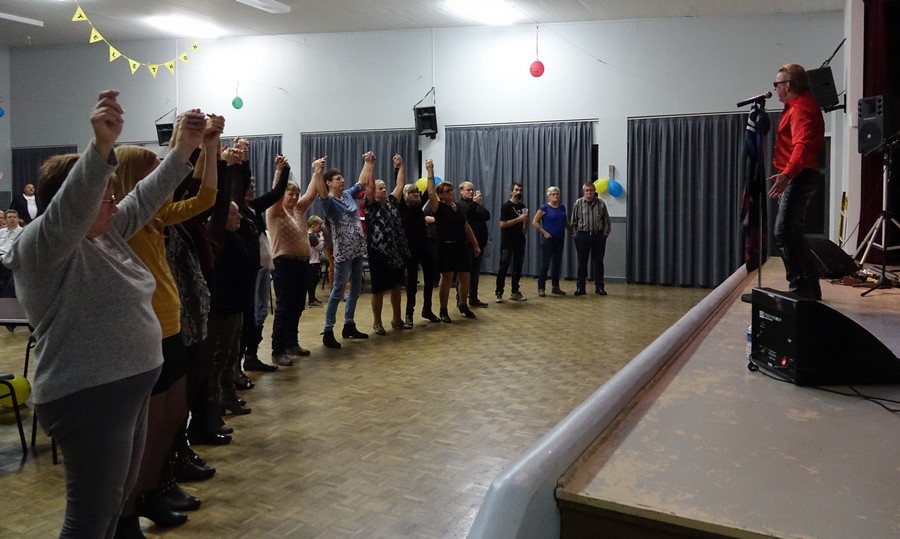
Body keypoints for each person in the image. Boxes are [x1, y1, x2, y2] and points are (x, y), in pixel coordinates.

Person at [3, 90, 205, 538]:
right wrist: (101, 147)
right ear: (73, 201)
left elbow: (145, 198)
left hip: (124, 388)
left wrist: (185, 149)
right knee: (89, 519)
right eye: (106, 196)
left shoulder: (104, 235)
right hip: (88, 396)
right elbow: (77, 205)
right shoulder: (42, 247)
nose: (115, 203)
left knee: (114, 503)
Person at [113, 113, 223, 533]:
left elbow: (205, 199)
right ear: (133, 180)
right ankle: (128, 509)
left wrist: (209, 147)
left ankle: (152, 491)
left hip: (172, 326)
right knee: (145, 429)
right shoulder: (125, 221)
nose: (160, 177)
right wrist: (185, 145)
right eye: (151, 172)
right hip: (146, 330)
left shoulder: (156, 216)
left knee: (173, 417)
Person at [768, 63, 826, 301]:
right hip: (800, 174)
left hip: (799, 175)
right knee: (791, 233)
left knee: (784, 233)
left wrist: (787, 174)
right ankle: (809, 288)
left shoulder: (800, 108)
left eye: (777, 84)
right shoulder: (799, 106)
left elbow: (800, 146)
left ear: (788, 85)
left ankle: (800, 288)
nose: (775, 88)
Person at [237, 150, 289, 373]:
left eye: (253, 186)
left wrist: (284, 170)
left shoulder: (254, 207)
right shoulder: (237, 209)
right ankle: (240, 361)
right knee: (249, 315)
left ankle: (252, 356)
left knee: (259, 313)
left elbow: (276, 193)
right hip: (249, 271)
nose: (253, 188)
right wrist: (244, 159)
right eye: (249, 185)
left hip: (262, 268)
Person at [266, 158, 321, 365]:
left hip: (301, 264)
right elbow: (276, 192)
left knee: (297, 305)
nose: (295, 197)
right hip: (284, 264)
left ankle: (291, 343)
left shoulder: (297, 210)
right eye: (290, 194)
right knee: (284, 307)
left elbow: (311, 194)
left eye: (296, 194)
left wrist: (317, 172)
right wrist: (280, 172)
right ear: (283, 195)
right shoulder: (275, 211)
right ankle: (277, 350)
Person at [318, 154, 371, 348]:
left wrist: (367, 162)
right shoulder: (329, 202)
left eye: (341, 178)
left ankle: (349, 324)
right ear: (329, 183)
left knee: (355, 289)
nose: (342, 180)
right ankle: (328, 330)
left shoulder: (348, 195)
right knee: (338, 290)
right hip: (343, 252)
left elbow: (361, 181)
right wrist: (318, 171)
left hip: (357, 249)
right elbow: (321, 192)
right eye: (338, 178)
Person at [425, 160, 481, 322]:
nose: (450, 192)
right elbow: (430, 194)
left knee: (465, 277)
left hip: (461, 246)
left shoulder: (458, 207)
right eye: (447, 191)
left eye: (451, 190)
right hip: (446, 247)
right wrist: (430, 171)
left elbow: (466, 227)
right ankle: (443, 310)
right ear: (441, 195)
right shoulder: (438, 207)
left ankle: (463, 304)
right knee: (447, 278)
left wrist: (475, 244)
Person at [363, 154, 410, 335]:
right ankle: (377, 322)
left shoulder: (391, 202)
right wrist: (370, 165)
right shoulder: (370, 205)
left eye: (384, 188)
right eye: (380, 188)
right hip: (378, 254)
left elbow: (400, 185)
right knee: (378, 290)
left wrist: (400, 165)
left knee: (397, 287)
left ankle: (397, 319)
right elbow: (368, 186)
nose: (383, 190)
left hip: (396, 253)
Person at [398, 180, 439, 329]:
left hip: (424, 247)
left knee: (430, 279)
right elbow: (400, 187)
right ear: (405, 196)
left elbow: (430, 191)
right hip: (410, 250)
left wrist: (430, 171)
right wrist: (398, 169)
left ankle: (427, 309)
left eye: (417, 192)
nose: (416, 194)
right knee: (412, 283)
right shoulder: (402, 207)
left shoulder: (419, 206)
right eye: (412, 192)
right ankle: (409, 314)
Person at [569, 182, 611, 296]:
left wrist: (604, 235)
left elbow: (607, 221)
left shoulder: (601, 203)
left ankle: (599, 287)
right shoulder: (578, 203)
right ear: (584, 192)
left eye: (591, 190)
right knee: (582, 263)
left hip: (598, 236)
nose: (589, 193)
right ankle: (580, 287)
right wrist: (575, 236)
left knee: (599, 263)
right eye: (587, 191)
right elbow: (573, 222)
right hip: (582, 236)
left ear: (594, 191)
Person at [457, 181, 490, 307]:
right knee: (464, 274)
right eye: (468, 190)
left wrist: (476, 205)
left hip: (480, 243)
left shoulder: (475, 204)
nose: (471, 192)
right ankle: (460, 299)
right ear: (461, 191)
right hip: (467, 244)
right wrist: (475, 204)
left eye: (472, 190)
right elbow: (466, 215)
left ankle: (473, 298)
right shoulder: (459, 205)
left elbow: (487, 215)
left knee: (475, 273)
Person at [532, 186, 568, 296]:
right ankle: (541, 287)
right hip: (548, 240)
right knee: (545, 264)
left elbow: (565, 221)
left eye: (557, 194)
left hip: (560, 239)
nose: (555, 196)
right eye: (553, 194)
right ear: (549, 196)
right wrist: (544, 233)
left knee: (557, 264)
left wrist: (572, 228)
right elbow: (535, 222)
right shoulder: (544, 208)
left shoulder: (562, 207)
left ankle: (555, 287)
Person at [495, 182, 528, 302]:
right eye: (516, 190)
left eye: (520, 190)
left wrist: (525, 226)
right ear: (511, 191)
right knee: (504, 267)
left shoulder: (522, 206)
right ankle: (499, 292)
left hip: (520, 240)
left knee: (517, 267)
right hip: (508, 242)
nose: (519, 192)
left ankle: (514, 292)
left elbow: (525, 219)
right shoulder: (506, 206)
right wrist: (518, 219)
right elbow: (502, 224)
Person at [307, 215, 325, 306]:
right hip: (313, 262)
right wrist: (322, 238)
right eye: (318, 226)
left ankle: (313, 298)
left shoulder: (308, 235)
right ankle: (311, 300)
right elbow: (320, 248)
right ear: (313, 226)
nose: (320, 229)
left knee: (313, 282)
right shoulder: (312, 237)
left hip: (310, 261)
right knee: (312, 282)